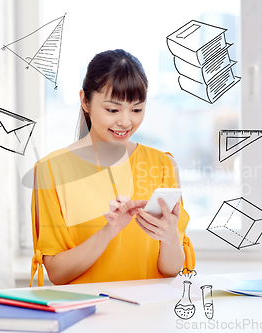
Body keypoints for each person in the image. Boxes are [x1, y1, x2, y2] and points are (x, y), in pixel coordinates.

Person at [30, 49, 194, 286]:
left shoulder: (162, 165)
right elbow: (57, 273)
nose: (126, 121)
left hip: (148, 314)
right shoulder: (51, 171)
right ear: (85, 101)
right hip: (87, 314)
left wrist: (169, 237)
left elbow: (170, 271)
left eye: (136, 109)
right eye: (113, 110)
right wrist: (109, 231)